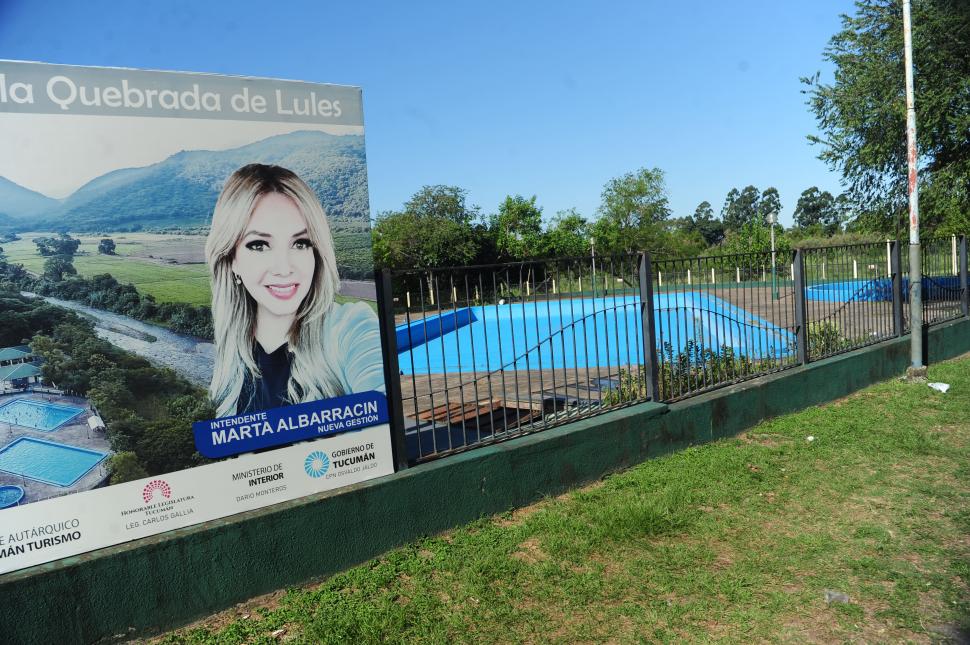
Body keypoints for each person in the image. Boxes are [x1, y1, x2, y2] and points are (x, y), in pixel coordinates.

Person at [205, 163, 384, 417]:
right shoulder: (233, 350)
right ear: (231, 258)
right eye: (259, 245)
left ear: (317, 252)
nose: (284, 268)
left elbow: (380, 400)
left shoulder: (350, 328)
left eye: (300, 243)